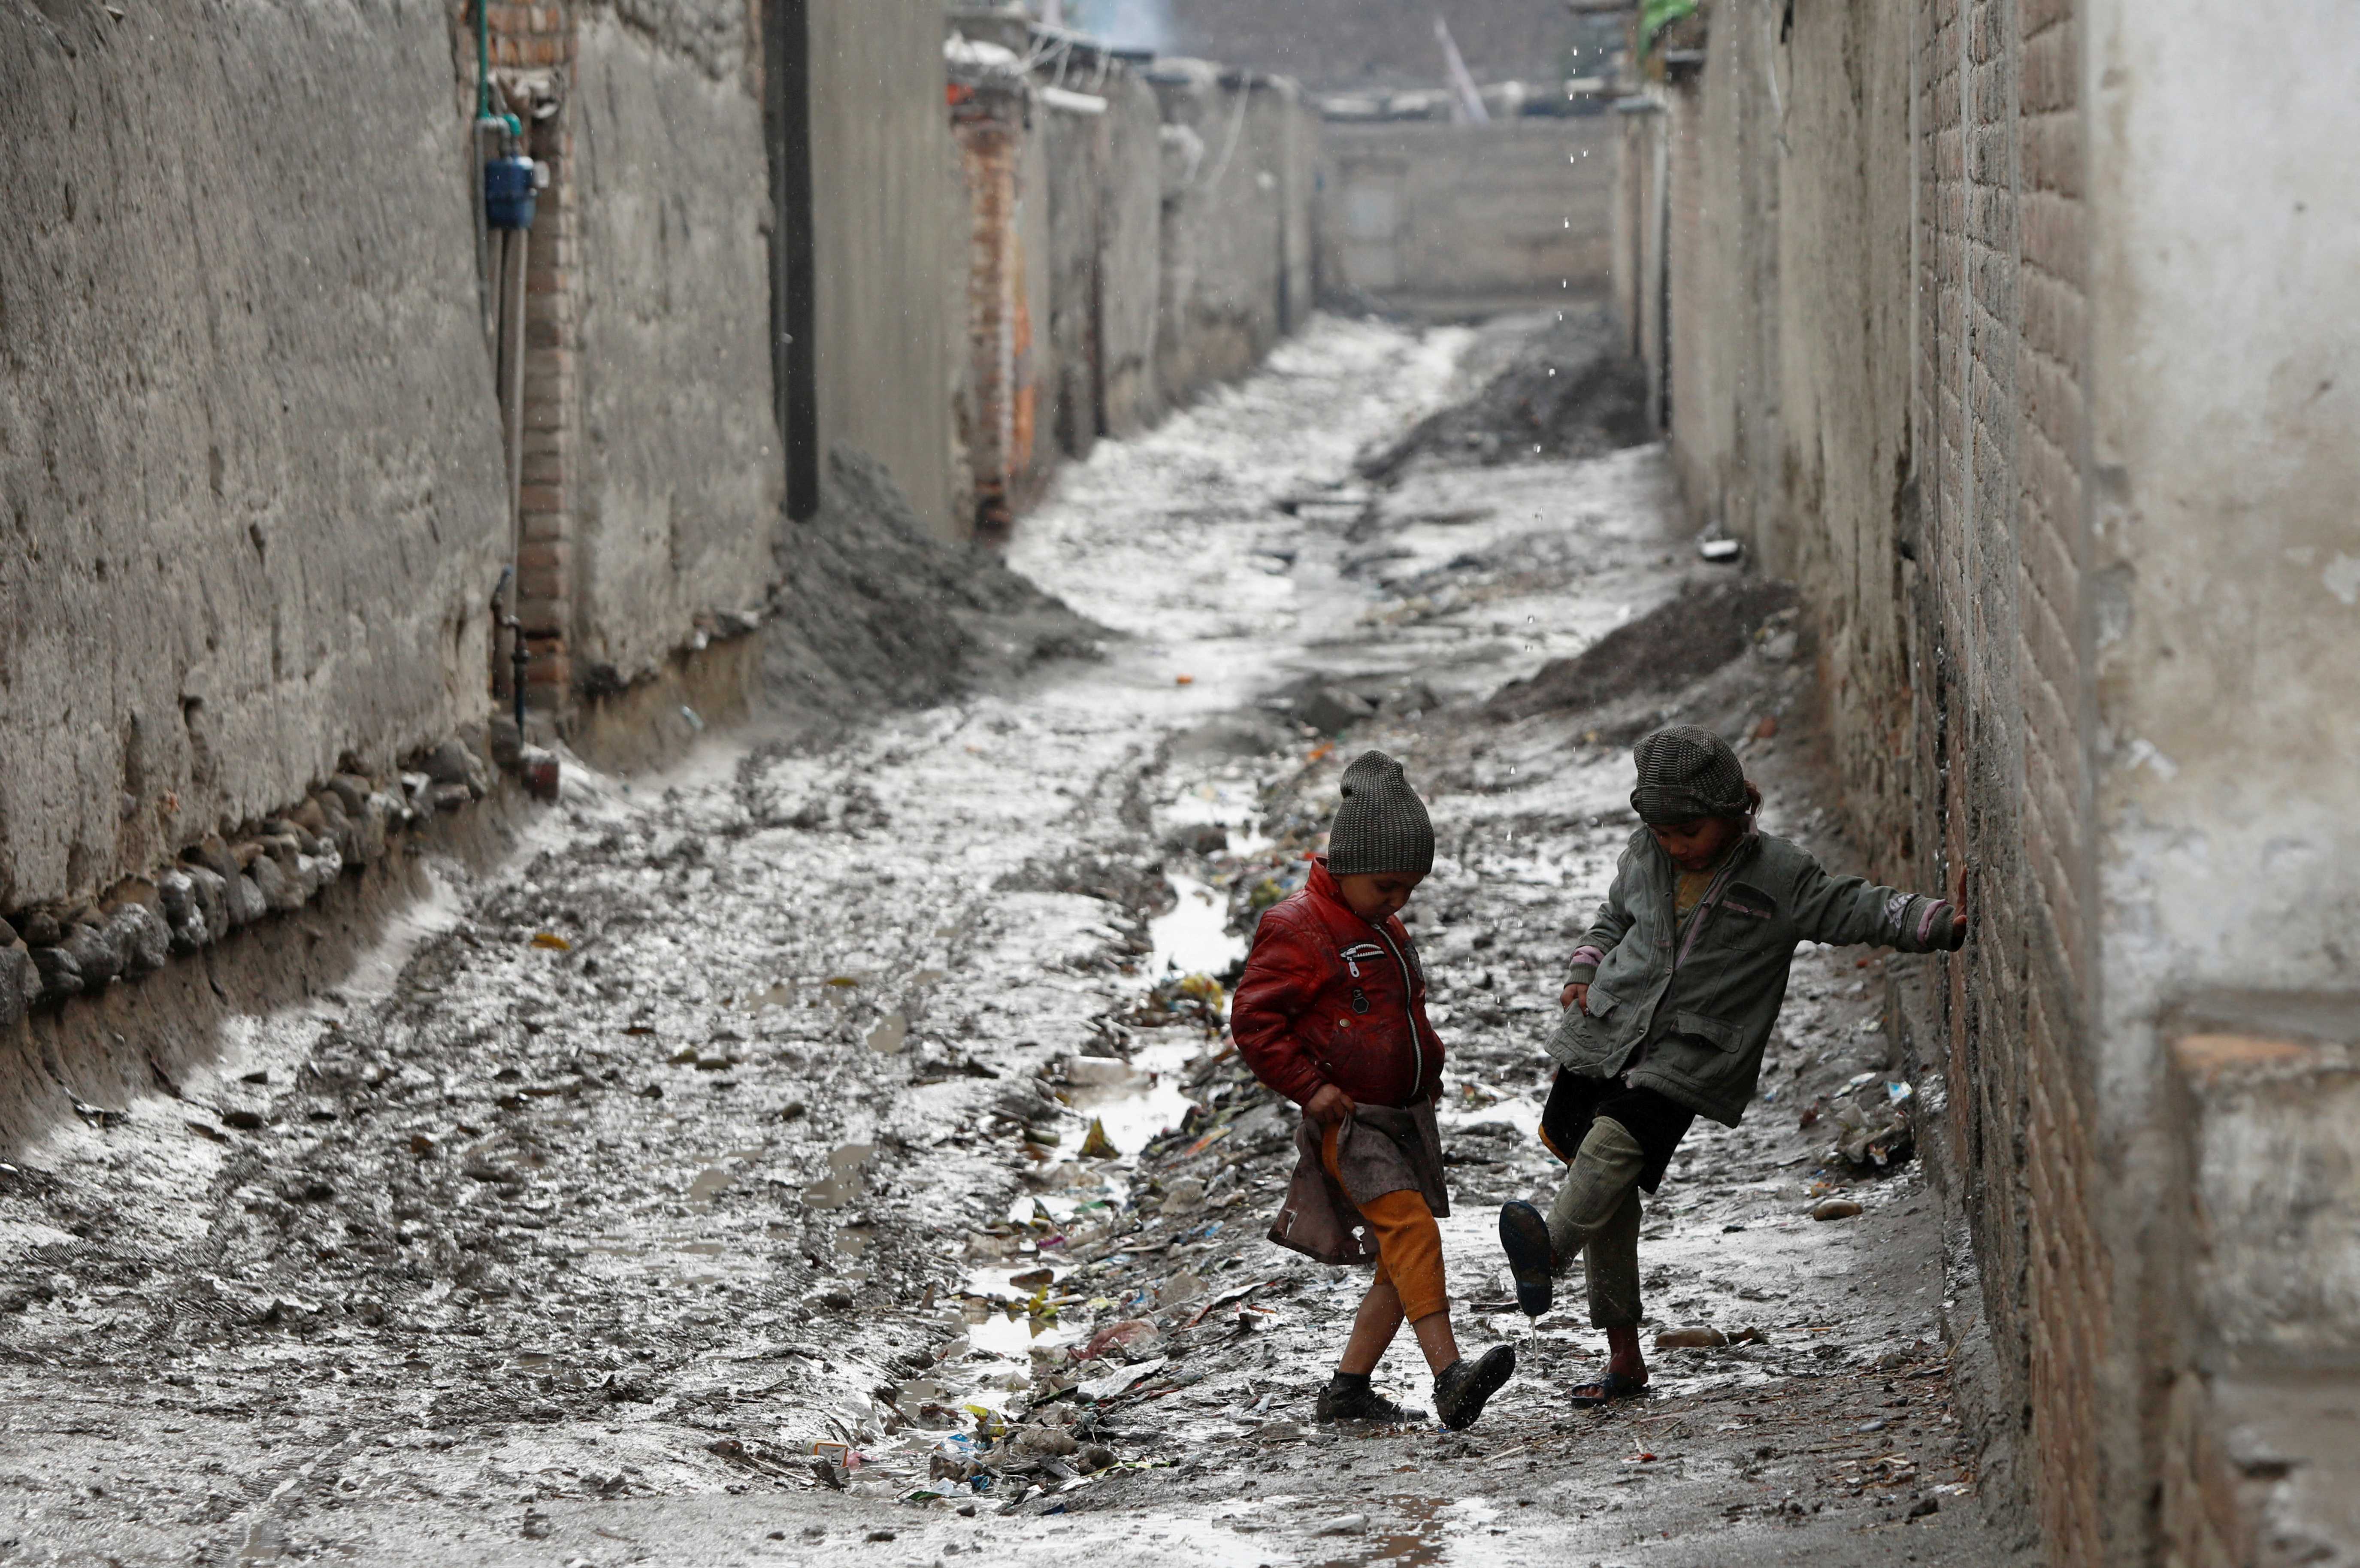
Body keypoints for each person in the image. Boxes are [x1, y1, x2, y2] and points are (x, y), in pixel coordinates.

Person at [1498, 725, 1967, 1405]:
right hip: (1608, 1035)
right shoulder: (1647, 857)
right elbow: (1612, 920)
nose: (1672, 844)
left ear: (1735, 810)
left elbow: (1853, 905)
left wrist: (1937, 922)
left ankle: (1547, 1253)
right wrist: (1584, 968)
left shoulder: (1780, 875)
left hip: (1689, 1055)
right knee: (1607, 1198)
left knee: (1607, 1152)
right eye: (1659, 830)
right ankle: (1624, 1361)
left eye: (1687, 830)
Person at [1234, 750, 1516, 1431]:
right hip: (1352, 1123)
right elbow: (1253, 1020)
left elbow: (1402, 1012)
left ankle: (1347, 1390)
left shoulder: (1381, 926)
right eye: (1388, 886)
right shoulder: (1299, 927)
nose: (1399, 902)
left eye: (1409, 890)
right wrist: (1309, 1087)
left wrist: (1430, 1068)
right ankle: (1449, 1375)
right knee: (1412, 1232)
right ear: (1346, 864)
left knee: (1398, 1261)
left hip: (1403, 1117)